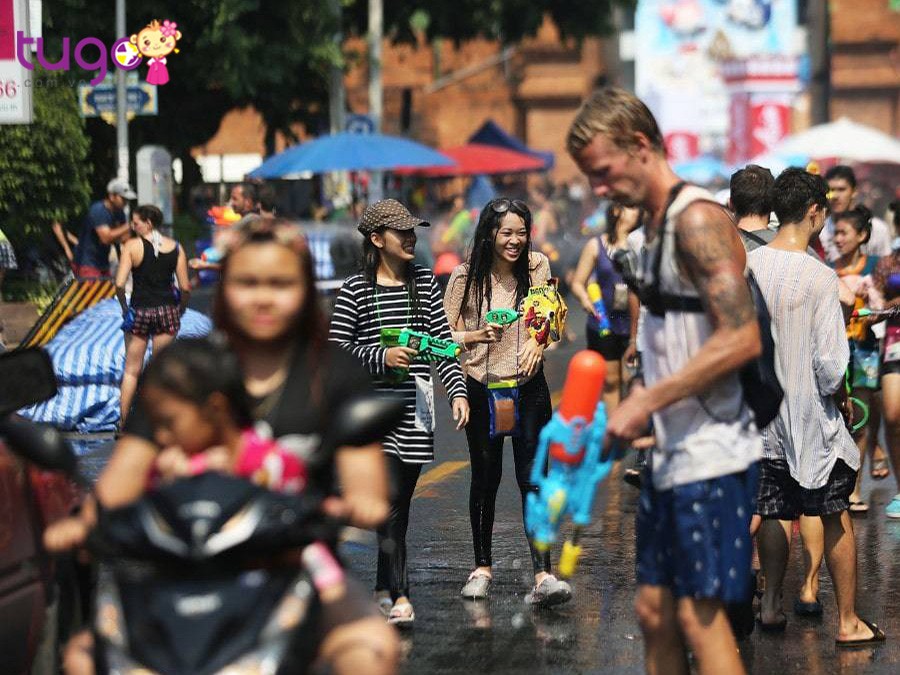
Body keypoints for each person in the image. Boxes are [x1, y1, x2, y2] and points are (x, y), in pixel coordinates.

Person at [47, 217, 400, 675]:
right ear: (224, 286)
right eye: (247, 283)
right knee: (81, 658)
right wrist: (81, 525)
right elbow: (121, 482)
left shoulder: (335, 371)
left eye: (281, 284)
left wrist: (354, 506)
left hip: (293, 567)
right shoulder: (182, 369)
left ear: (306, 288)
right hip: (173, 571)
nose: (263, 297)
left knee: (372, 651)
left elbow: (366, 488)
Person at [569, 87, 761, 675]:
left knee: (699, 619)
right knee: (653, 612)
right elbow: (673, 339)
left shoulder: (697, 219)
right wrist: (632, 411)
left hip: (713, 453)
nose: (598, 188)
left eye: (603, 172)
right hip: (671, 452)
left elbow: (742, 337)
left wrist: (648, 398)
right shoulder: (651, 230)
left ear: (640, 146)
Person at [748, 168, 885, 647]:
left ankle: (770, 605)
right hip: (810, 418)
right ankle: (848, 622)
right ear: (813, 211)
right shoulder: (820, 276)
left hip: (760, 418)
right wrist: (840, 394)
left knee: (771, 510)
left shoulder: (749, 265)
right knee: (833, 512)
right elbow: (829, 363)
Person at [329, 199, 469, 625]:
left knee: (399, 506)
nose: (410, 238)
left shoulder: (423, 283)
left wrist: (457, 391)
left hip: (415, 409)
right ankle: (401, 594)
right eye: (401, 232)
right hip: (371, 412)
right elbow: (336, 352)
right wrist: (382, 356)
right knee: (389, 502)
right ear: (377, 239)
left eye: (412, 231)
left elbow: (441, 343)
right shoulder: (356, 289)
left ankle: (380, 587)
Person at [444, 197, 572, 607]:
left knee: (534, 480)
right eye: (506, 233)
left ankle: (543, 575)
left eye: (521, 232)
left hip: (529, 389)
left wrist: (538, 342)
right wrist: (475, 335)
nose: (515, 241)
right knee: (485, 479)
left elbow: (550, 318)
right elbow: (443, 336)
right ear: (489, 234)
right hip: (483, 388)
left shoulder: (537, 267)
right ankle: (482, 569)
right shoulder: (465, 277)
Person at [830, 205, 885, 511]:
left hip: (865, 349)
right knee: (838, 416)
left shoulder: (876, 267)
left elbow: (885, 304)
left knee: (860, 418)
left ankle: (855, 489)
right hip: (836, 348)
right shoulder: (828, 267)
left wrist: (873, 312)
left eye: (844, 233)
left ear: (862, 235)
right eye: (835, 233)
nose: (837, 239)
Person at [115, 204, 190, 425]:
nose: (132, 226)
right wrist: (181, 308)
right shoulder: (176, 248)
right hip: (167, 311)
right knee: (161, 370)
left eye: (135, 222)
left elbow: (119, 284)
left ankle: (124, 423)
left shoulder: (131, 246)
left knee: (131, 371)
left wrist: (124, 307)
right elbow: (185, 287)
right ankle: (160, 423)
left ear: (148, 223)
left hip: (140, 310)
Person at [570, 203, 642, 408]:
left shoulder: (640, 242)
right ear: (616, 210)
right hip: (603, 322)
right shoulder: (596, 245)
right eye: (631, 207)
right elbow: (577, 282)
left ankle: (630, 423)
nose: (638, 211)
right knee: (610, 381)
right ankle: (613, 425)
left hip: (635, 324)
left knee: (632, 379)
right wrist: (585, 300)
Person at [874, 227, 900, 517]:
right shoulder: (888, 262)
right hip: (895, 343)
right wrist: (893, 303)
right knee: (892, 416)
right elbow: (875, 307)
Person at [819, 165, 892, 262]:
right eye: (831, 190)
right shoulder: (820, 230)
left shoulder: (877, 229)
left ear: (854, 191)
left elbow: (886, 264)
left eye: (841, 189)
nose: (835, 196)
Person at [71, 178, 135, 278]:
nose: (126, 202)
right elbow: (105, 238)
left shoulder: (119, 213)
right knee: (93, 288)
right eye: (123, 199)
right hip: (87, 263)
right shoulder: (98, 210)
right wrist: (130, 225)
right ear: (112, 196)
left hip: (103, 263)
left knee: (108, 288)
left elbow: (124, 238)